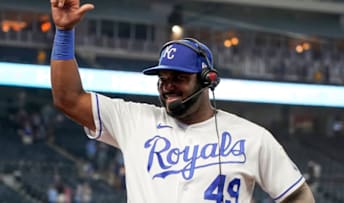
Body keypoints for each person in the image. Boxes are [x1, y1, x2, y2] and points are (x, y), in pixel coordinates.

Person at [49, 0, 315, 202]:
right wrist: (63, 32)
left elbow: (295, 194)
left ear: (207, 80)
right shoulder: (134, 120)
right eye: (163, 78)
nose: (168, 85)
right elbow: (67, 99)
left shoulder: (252, 138)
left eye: (178, 78)